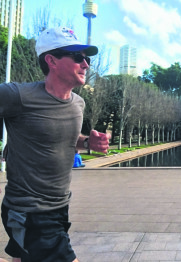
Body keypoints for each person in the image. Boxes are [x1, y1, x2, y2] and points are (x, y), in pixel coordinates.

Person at [0, 26, 111, 262]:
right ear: (51, 60)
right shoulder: (17, 96)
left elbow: (68, 141)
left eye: (87, 58)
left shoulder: (78, 104)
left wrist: (87, 142)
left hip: (59, 207)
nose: (86, 65)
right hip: (29, 211)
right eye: (78, 57)